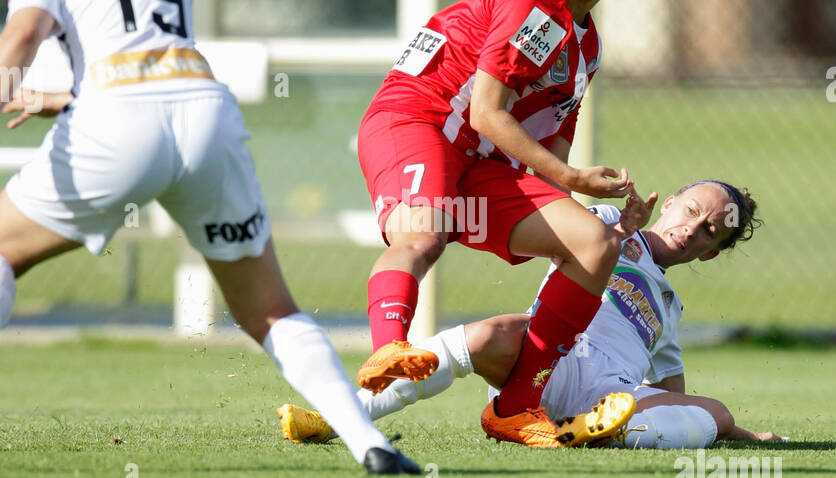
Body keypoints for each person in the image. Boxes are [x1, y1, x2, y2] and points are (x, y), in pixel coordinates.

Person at [0, 0, 418, 476]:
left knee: (3, 251)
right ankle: (372, 444)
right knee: (271, 309)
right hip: (203, 115)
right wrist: (63, 99)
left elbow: (24, 35)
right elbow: (152, 65)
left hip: (118, 123)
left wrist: (8, 78)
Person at [355, 0, 658, 446]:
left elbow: (552, 158)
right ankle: (389, 348)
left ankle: (518, 406)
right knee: (423, 238)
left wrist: (603, 211)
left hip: (479, 158)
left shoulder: (587, 47)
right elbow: (486, 112)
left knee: (595, 246)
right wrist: (569, 180)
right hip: (416, 121)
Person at [279, 180, 787, 449]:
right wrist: (616, 231)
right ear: (670, 201)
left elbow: (673, 399)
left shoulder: (670, 309)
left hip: (609, 394)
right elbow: (562, 227)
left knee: (716, 413)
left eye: (708, 232)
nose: (692, 228)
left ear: (710, 253)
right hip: (545, 360)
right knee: (490, 334)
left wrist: (732, 430)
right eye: (691, 210)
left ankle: (594, 432)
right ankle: (336, 418)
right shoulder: (609, 221)